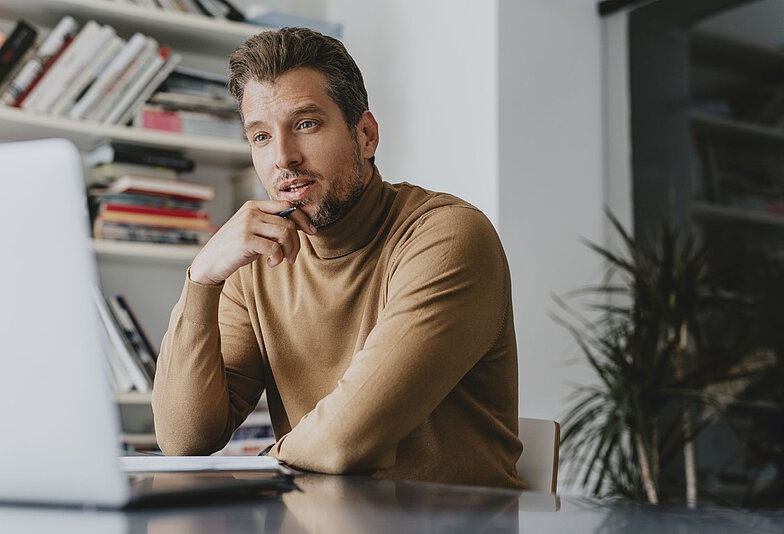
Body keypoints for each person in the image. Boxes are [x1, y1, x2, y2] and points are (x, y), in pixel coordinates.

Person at [152, 27, 525, 488]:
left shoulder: (447, 237)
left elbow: (344, 441)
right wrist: (203, 278)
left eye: (306, 124)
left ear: (365, 135)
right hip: (318, 517)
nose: (283, 158)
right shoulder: (258, 261)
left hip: (455, 521)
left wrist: (259, 467)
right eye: (261, 136)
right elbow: (184, 439)